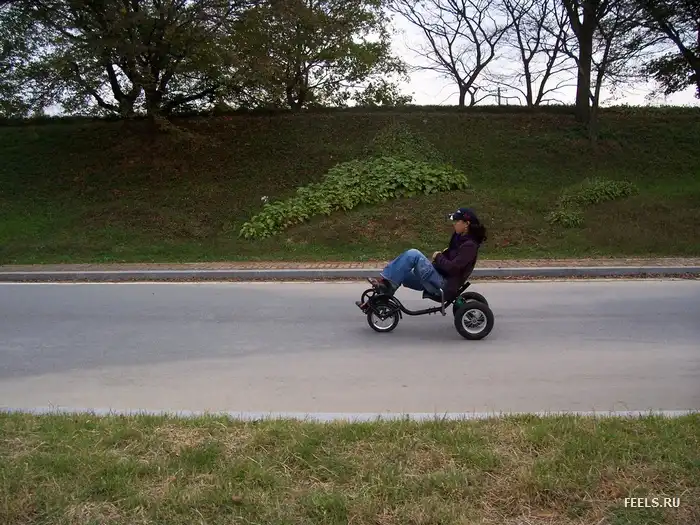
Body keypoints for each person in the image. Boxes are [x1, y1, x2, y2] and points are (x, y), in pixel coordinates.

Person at [356, 207, 486, 309]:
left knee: (414, 254)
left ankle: (384, 288)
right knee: (400, 271)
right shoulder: (459, 238)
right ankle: (381, 298)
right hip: (438, 276)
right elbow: (450, 257)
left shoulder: (469, 246)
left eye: (457, 221)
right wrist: (442, 257)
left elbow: (453, 269)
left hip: (444, 285)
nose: (454, 224)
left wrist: (438, 257)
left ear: (466, 224)